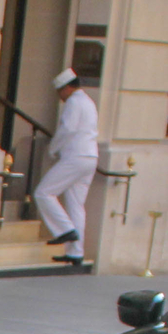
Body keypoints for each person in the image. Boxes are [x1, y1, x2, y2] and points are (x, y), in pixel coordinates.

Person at [32, 68, 100, 267]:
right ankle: (75, 252)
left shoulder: (73, 102)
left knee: (43, 193)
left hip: (75, 156)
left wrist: (53, 148)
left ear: (67, 88)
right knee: (75, 205)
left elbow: (68, 129)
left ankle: (65, 230)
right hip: (90, 156)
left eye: (60, 92)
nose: (60, 97)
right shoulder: (88, 101)